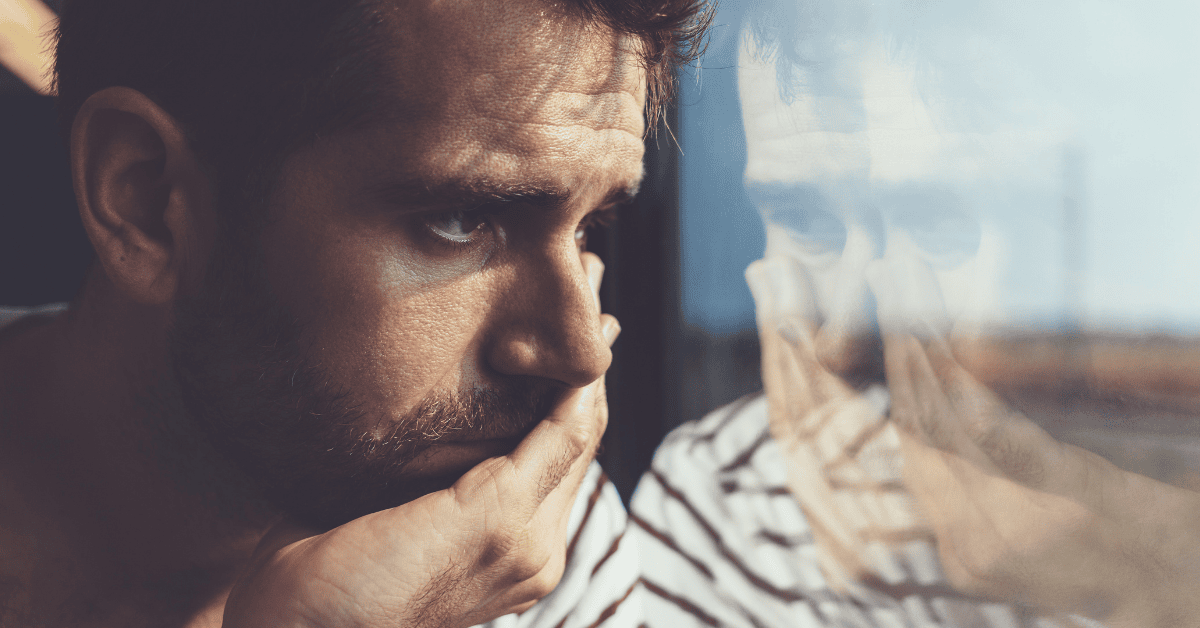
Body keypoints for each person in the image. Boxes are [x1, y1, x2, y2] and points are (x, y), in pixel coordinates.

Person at [0, 0, 711, 626]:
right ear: (148, 204)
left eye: (589, 229)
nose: (582, 350)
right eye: (463, 220)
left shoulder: (537, 554)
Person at [630, 0, 1200, 626]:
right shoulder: (718, 500)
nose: (843, 336)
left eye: (935, 225)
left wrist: (1123, 570)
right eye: (805, 221)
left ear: (1059, 243)